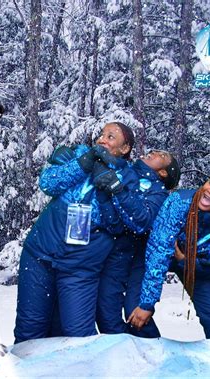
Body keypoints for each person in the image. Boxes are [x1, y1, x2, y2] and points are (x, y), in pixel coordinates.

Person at [14, 121, 136, 343]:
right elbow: (48, 183)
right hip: (39, 254)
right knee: (29, 329)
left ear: (125, 148)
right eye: (101, 134)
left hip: (80, 267)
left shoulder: (128, 177)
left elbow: (124, 224)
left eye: (111, 137)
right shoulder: (78, 154)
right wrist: (83, 164)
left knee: (77, 335)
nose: (102, 139)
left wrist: (108, 189)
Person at [128, 168, 210, 338]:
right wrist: (147, 303)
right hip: (159, 256)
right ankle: (155, 353)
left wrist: (188, 261)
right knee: (136, 309)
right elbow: (159, 250)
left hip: (194, 267)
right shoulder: (181, 200)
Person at [96, 150, 181, 338]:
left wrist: (117, 189)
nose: (155, 152)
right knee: (106, 313)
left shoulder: (159, 194)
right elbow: (112, 217)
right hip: (115, 252)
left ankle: (155, 352)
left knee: (136, 314)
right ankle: (122, 356)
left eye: (163, 155)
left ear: (164, 172)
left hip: (140, 257)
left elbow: (141, 221)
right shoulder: (125, 171)